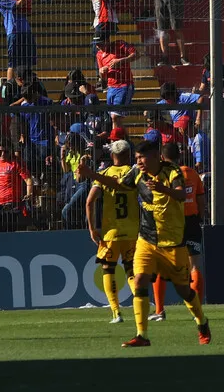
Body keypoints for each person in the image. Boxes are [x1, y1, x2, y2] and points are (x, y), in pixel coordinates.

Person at [78, 137, 211, 348]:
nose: (139, 161)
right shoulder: (137, 173)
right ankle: (142, 335)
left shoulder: (173, 171)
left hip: (172, 242)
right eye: (137, 157)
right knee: (138, 280)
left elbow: (179, 195)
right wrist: (91, 175)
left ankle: (202, 322)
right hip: (146, 239)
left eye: (142, 157)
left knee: (183, 290)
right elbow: (117, 185)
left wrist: (162, 188)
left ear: (156, 156)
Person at [151, 141, 206, 321]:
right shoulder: (192, 173)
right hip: (191, 222)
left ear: (161, 157)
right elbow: (201, 199)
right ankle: (196, 310)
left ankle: (159, 311)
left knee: (160, 266)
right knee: (195, 266)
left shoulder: (162, 175)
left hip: (171, 224)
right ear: (180, 155)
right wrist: (199, 216)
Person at [86, 138, 138, 325]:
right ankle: (142, 304)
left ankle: (116, 312)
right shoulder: (134, 172)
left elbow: (90, 202)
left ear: (112, 155)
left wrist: (92, 228)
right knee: (132, 271)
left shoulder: (104, 174)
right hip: (133, 231)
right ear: (128, 154)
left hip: (111, 233)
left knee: (108, 271)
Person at [0, 0, 35, 90]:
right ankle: (9, 88)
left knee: (27, 59)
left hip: (24, 29)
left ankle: (28, 85)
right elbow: (17, 4)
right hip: (14, 31)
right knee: (13, 61)